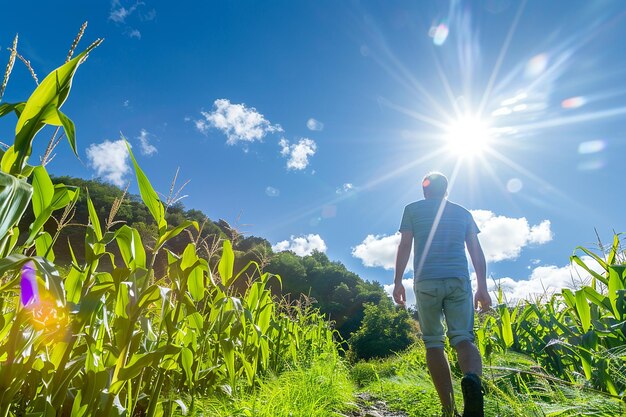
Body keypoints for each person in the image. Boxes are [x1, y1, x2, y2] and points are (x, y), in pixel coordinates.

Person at [392, 172, 491, 417]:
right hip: (457, 280)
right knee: (463, 339)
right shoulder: (463, 213)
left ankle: (449, 410)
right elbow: (475, 251)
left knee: (434, 343)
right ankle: (472, 380)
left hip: (426, 282)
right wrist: (482, 287)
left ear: (425, 190)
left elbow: (405, 245)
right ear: (446, 190)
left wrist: (397, 282)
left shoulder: (412, 210)